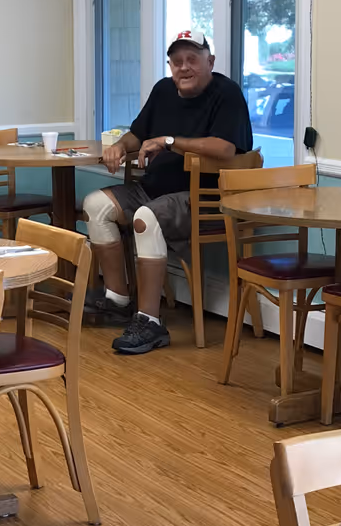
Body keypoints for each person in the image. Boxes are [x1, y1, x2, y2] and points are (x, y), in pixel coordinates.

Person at [82, 30, 253, 356]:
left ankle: (150, 322)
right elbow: (137, 134)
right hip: (153, 190)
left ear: (210, 61)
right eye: (176, 61)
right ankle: (117, 299)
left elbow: (225, 148)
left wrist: (169, 141)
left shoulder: (227, 93)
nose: (184, 67)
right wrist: (119, 146)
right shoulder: (163, 90)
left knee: (146, 218)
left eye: (192, 59)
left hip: (204, 199)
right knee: (95, 205)